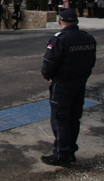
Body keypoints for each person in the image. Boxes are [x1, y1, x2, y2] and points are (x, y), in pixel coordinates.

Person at [40, 9, 97, 168]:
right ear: (77, 22)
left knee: (60, 119)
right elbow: (91, 61)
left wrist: (47, 75)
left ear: (60, 21)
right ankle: (70, 151)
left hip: (63, 84)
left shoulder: (60, 39)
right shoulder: (88, 38)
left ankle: (61, 155)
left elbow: (49, 63)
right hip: (80, 83)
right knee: (73, 118)